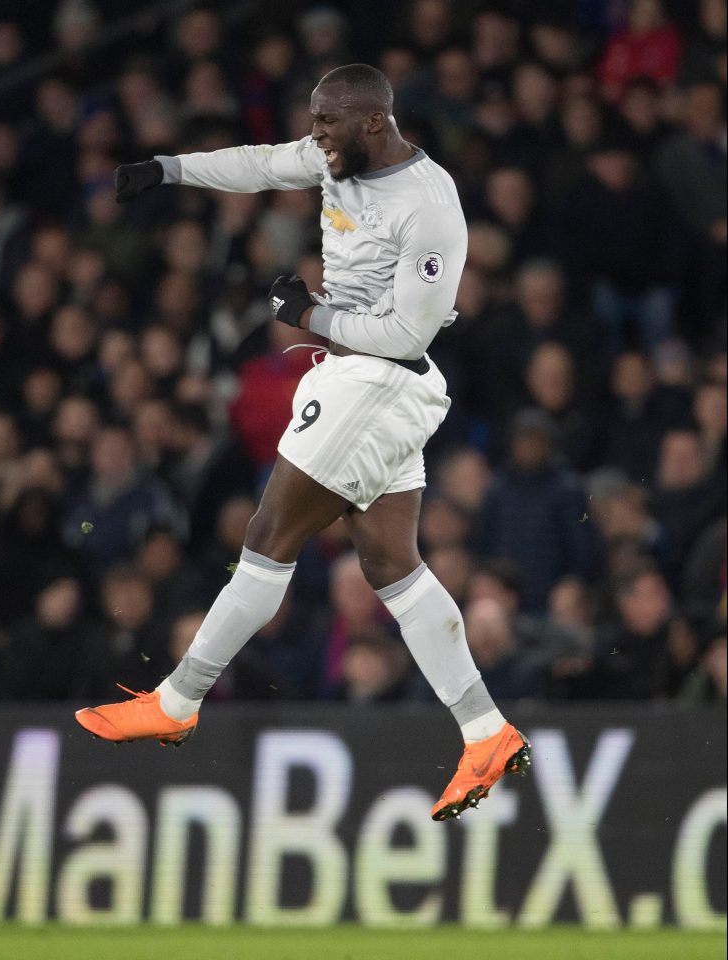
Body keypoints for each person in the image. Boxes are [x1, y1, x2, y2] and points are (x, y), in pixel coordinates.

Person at [75, 63, 531, 822]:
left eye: (327, 122)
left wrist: (307, 316)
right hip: (362, 384)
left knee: (267, 534)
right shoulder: (336, 157)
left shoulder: (430, 206)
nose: (315, 136)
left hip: (377, 380)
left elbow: (407, 332)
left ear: (374, 123)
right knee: (391, 565)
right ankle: (484, 730)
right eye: (312, 121)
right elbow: (258, 164)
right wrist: (166, 169)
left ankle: (177, 700)